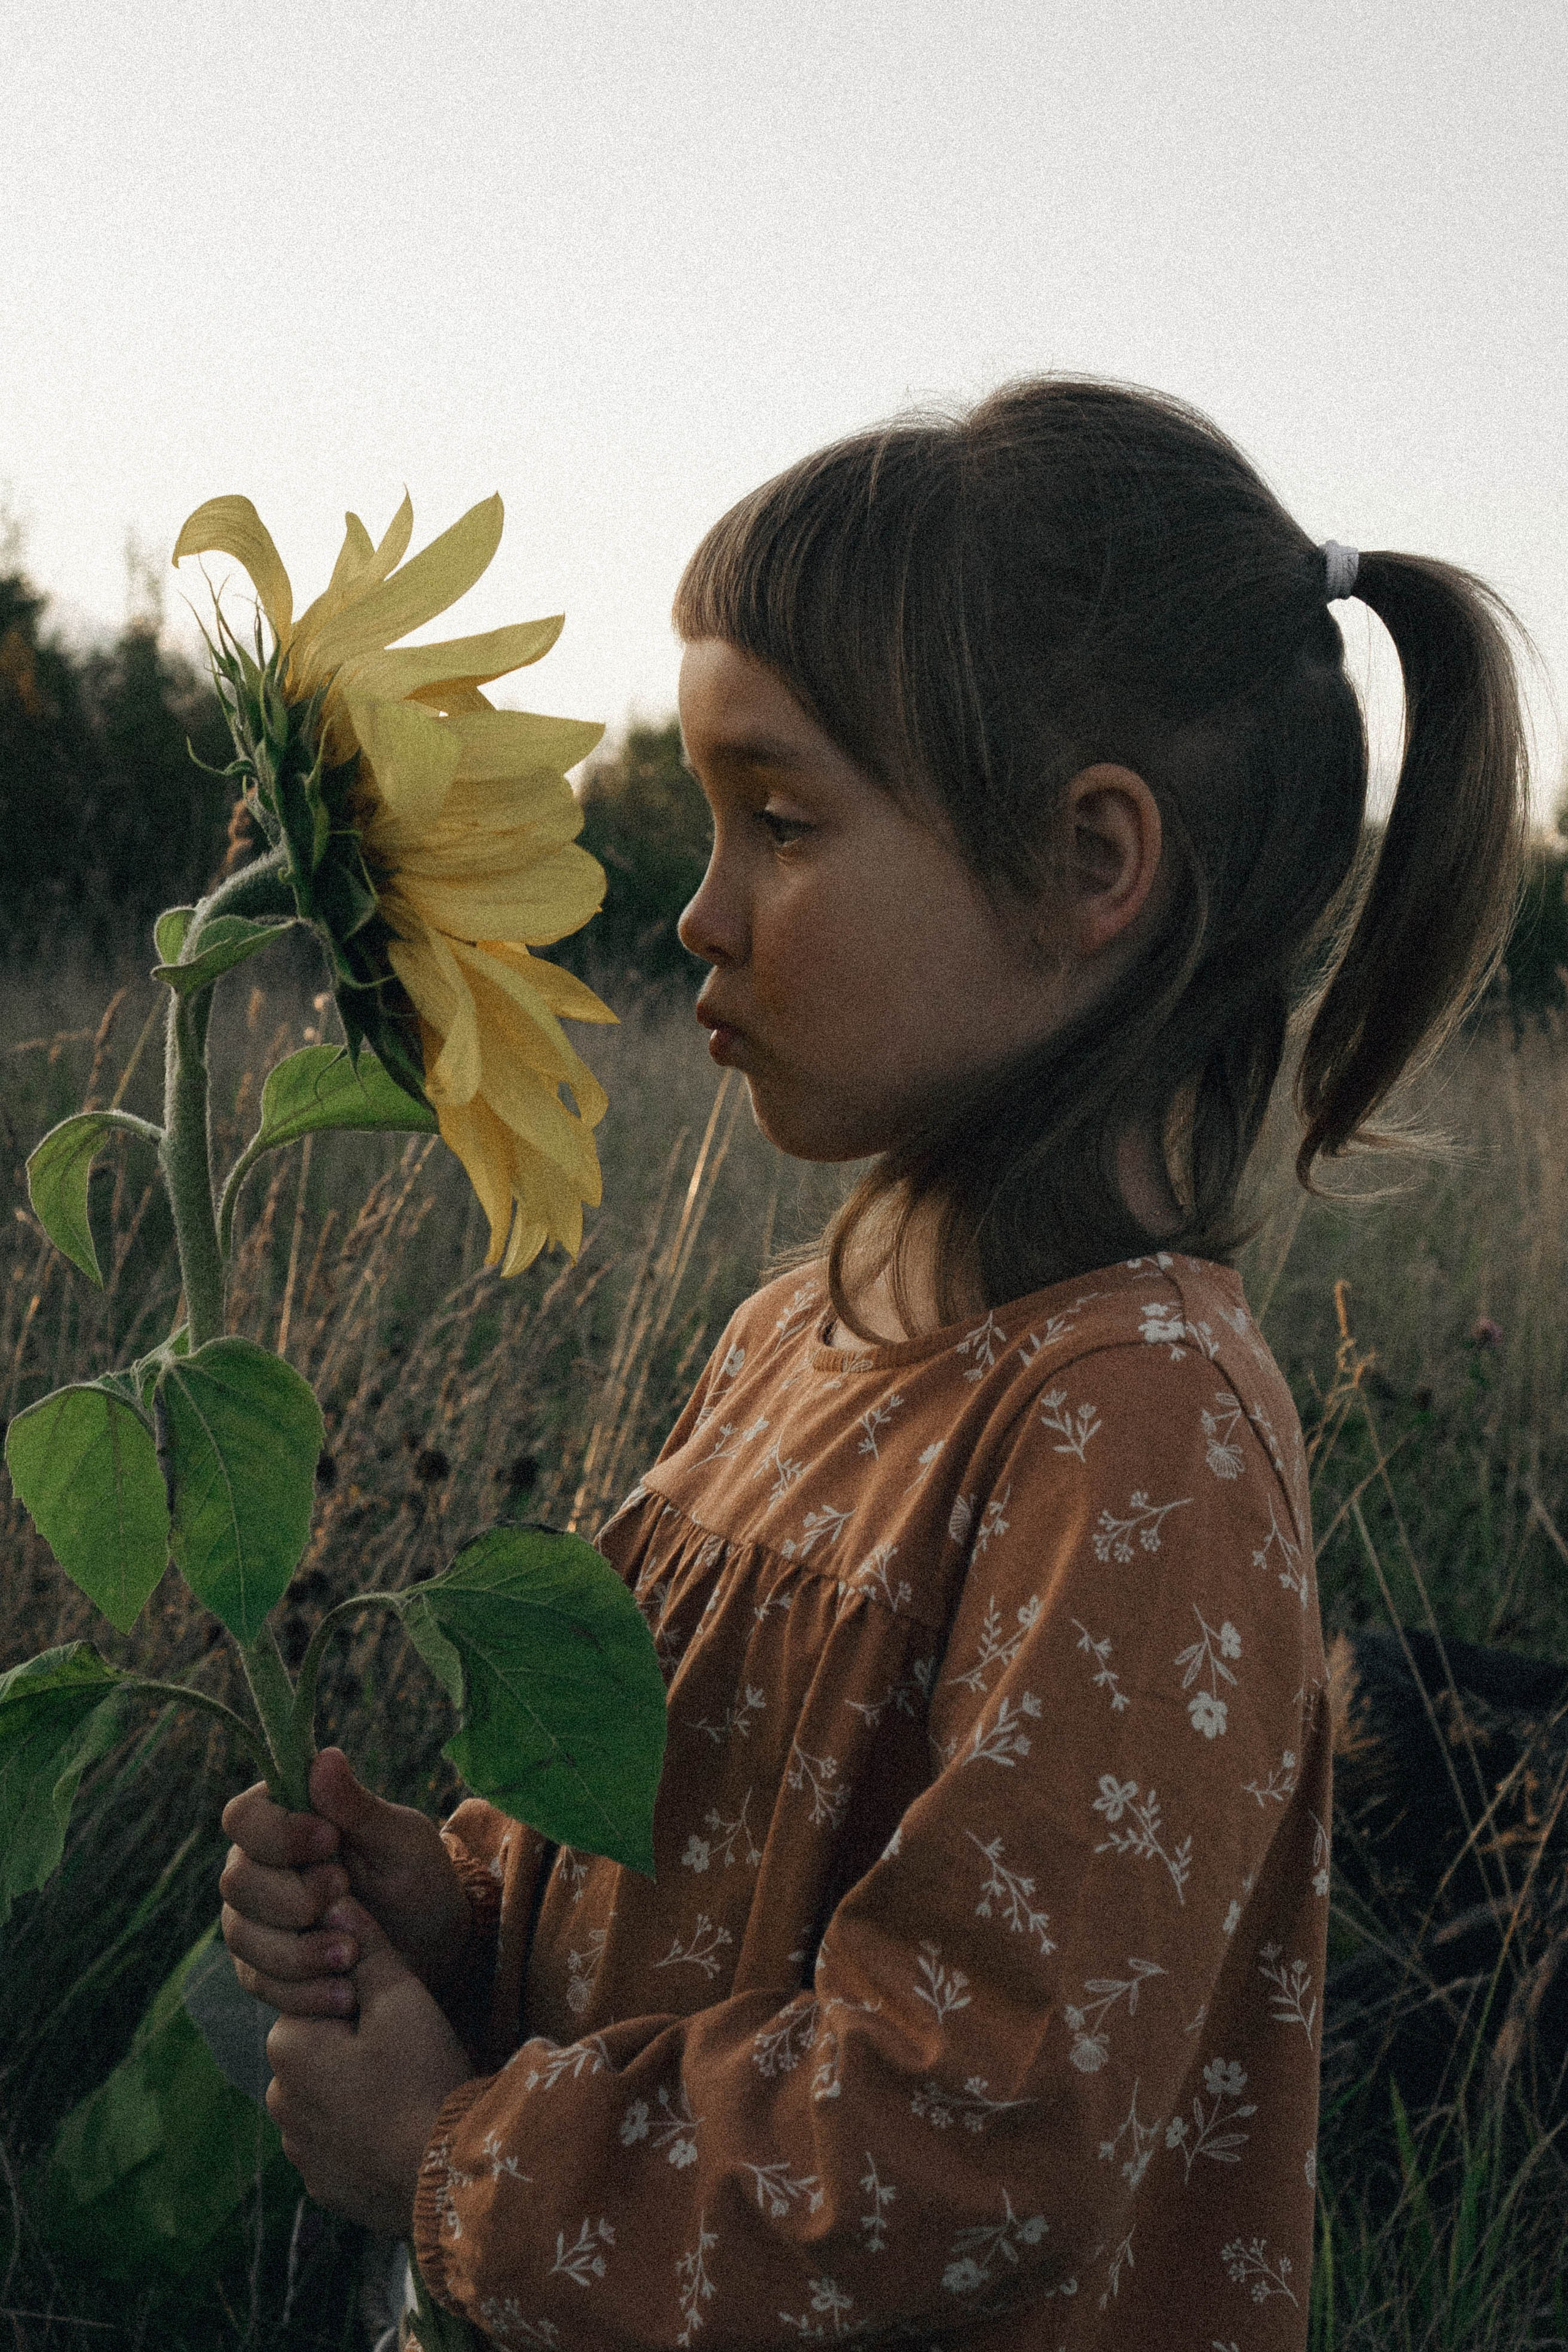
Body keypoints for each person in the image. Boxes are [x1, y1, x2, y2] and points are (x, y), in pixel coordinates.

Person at [219, 377, 1528, 2350]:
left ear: (1094, 869)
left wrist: (454, 2159)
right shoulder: (796, 1337)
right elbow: (696, 1877)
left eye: (785, 820)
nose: (700, 911)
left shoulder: (1134, 1431)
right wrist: (469, 1910)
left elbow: (974, 2129)